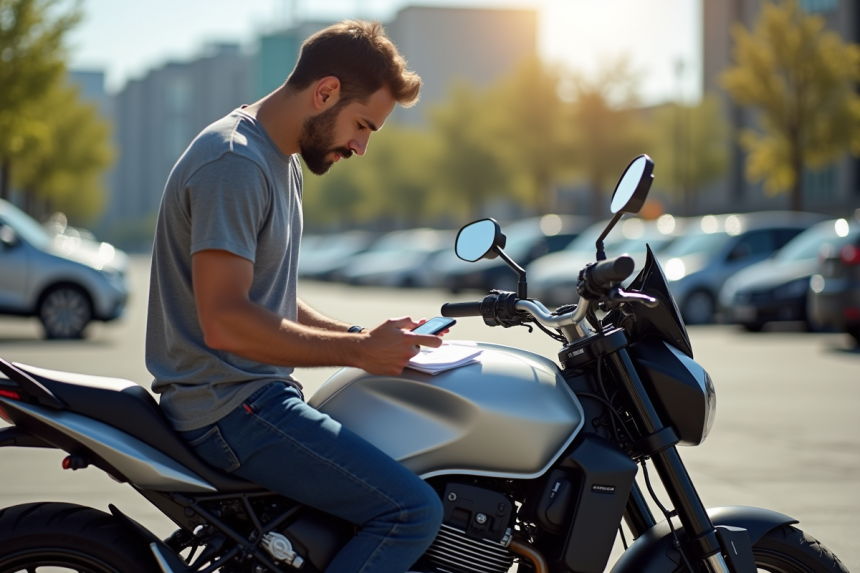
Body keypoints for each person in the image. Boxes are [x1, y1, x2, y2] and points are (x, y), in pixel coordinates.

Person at [145, 20, 445, 573]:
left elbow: (268, 298)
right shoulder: (234, 161)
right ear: (325, 92)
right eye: (362, 125)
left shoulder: (279, 161)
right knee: (410, 511)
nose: (361, 146)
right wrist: (359, 353)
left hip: (251, 398)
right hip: (231, 409)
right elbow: (227, 321)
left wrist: (360, 336)